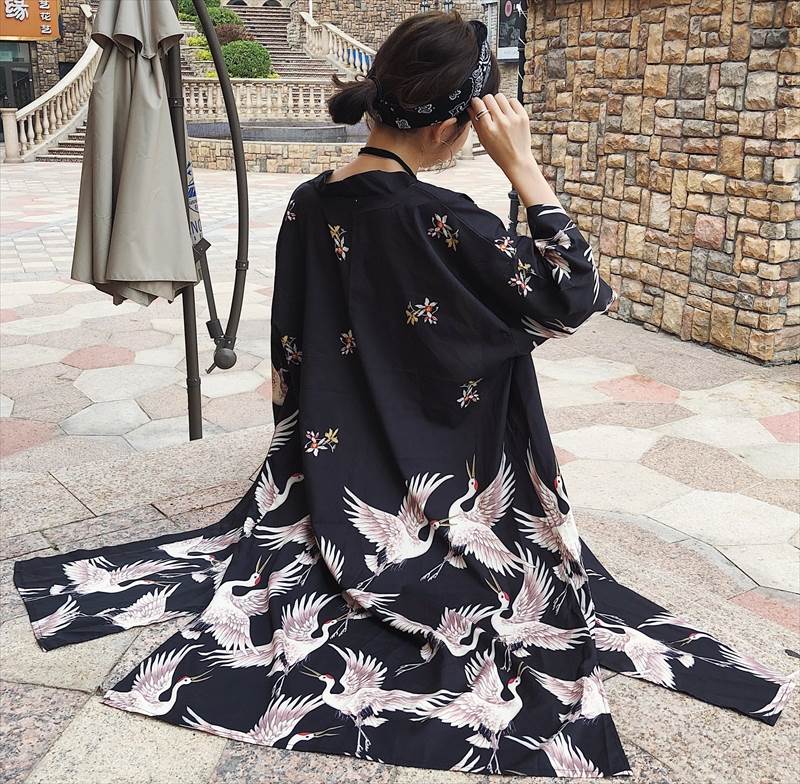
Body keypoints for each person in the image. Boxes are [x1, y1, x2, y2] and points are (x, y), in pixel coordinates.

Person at [13, 11, 796, 779]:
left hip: (331, 462)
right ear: (452, 129)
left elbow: (293, 349)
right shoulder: (447, 218)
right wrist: (525, 168)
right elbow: (574, 296)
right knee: (512, 588)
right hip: (449, 466)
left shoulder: (310, 199)